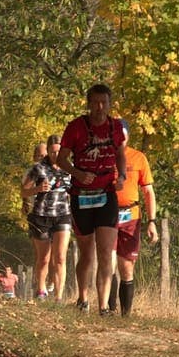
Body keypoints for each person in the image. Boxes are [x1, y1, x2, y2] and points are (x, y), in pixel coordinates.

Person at [58, 84, 127, 315]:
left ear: (109, 104)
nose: (99, 107)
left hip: (107, 193)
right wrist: (77, 173)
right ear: (88, 103)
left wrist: (122, 176)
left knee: (106, 251)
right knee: (87, 252)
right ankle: (82, 298)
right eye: (95, 102)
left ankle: (104, 305)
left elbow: (120, 155)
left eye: (104, 103)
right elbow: (61, 158)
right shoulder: (76, 127)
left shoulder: (116, 127)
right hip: (81, 196)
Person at [108, 120, 159, 316]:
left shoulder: (138, 158)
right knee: (109, 263)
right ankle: (109, 310)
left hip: (132, 216)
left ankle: (125, 314)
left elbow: (148, 192)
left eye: (123, 134)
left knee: (126, 267)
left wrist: (152, 222)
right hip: (108, 214)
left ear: (128, 135)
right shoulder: (105, 157)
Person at [20, 135, 73, 302]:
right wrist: (37, 189)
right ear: (48, 151)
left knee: (61, 257)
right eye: (52, 152)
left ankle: (58, 296)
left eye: (59, 152)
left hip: (62, 215)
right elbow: (23, 191)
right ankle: (41, 290)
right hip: (41, 216)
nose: (56, 155)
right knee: (44, 258)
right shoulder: (38, 168)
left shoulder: (69, 167)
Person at [21, 142, 49, 217]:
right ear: (34, 157)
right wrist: (38, 189)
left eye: (46, 155)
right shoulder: (30, 172)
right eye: (40, 156)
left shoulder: (57, 170)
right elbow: (24, 192)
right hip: (38, 213)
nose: (44, 158)